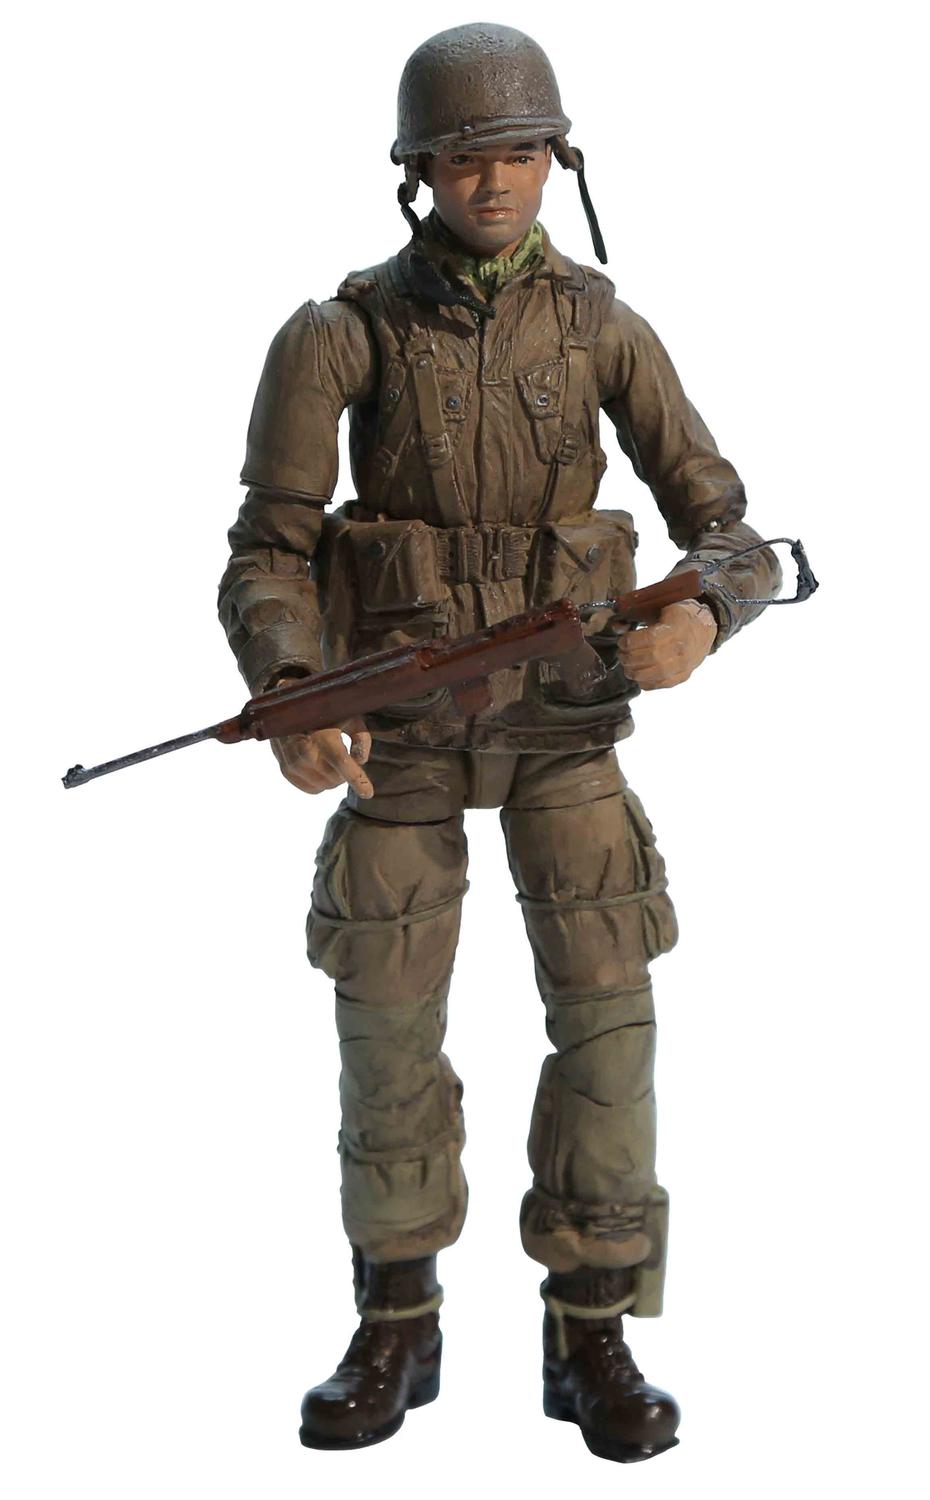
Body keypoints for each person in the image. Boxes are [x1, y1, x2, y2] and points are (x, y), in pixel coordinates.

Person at [218, 22, 780, 1464]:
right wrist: (295, 689)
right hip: (399, 728)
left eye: (519, 154)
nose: (493, 182)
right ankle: (395, 1312)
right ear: (417, 171)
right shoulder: (340, 332)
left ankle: (592, 1321)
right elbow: (270, 546)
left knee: (607, 1017)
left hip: (565, 723)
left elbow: (732, 533)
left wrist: (701, 621)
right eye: (465, 156)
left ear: (555, 162)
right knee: (385, 1019)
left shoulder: (602, 327)